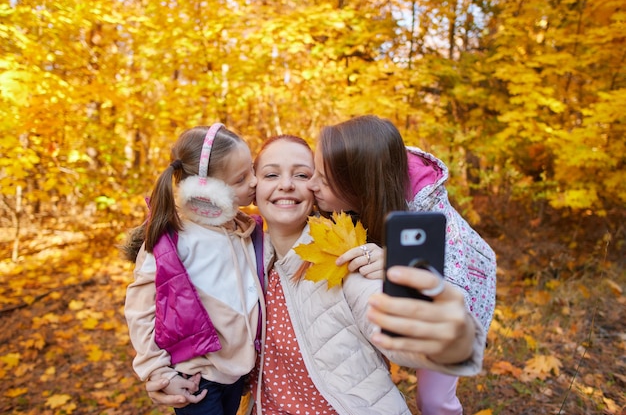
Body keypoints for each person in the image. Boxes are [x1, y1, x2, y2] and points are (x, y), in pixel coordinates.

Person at [145, 134, 485, 414]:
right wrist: (159, 374)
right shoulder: (241, 252)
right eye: (272, 174)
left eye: (303, 175)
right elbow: (167, 302)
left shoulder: (342, 252)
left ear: (318, 188)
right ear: (252, 187)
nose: (287, 186)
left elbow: (395, 333)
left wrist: (441, 334)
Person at [307, 114, 497, 415]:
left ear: (359, 187)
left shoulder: (429, 218)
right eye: (314, 173)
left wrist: (396, 263)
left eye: (325, 181)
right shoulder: (366, 170)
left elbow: (449, 301)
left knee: (434, 401)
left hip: (456, 290)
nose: (312, 185)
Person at [123, 123, 265, 415]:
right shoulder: (176, 240)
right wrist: (158, 372)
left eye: (252, 169)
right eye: (241, 179)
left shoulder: (242, 229)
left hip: (236, 372)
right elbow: (140, 310)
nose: (254, 182)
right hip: (196, 377)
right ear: (207, 191)